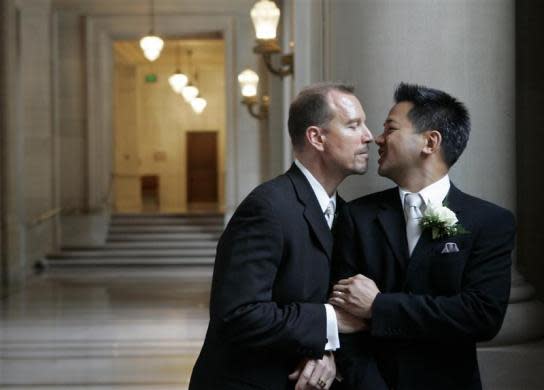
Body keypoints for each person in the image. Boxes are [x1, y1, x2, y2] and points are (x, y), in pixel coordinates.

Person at [330, 82, 516, 390]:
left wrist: (379, 306)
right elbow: (343, 316)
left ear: (430, 142)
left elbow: (481, 316)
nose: (377, 138)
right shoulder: (356, 216)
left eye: (390, 129)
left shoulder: (490, 222)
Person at [189, 82, 374, 390]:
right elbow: (237, 315)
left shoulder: (343, 212)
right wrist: (330, 322)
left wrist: (324, 346)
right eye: (353, 125)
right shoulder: (268, 208)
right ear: (316, 137)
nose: (368, 135)